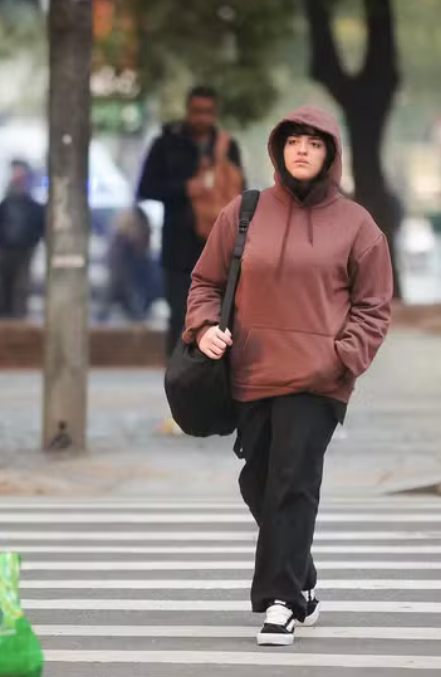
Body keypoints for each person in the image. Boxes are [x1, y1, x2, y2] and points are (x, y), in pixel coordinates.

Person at [183, 106, 393, 647]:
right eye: (294, 140)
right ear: (279, 149)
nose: (302, 149)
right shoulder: (245, 211)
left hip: (316, 381)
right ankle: (304, 577)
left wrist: (340, 358)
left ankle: (280, 602)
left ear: (330, 154)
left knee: (292, 483)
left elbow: (374, 306)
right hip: (250, 373)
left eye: (314, 143)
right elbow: (205, 281)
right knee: (259, 483)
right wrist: (204, 328)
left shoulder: (357, 225)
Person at [139, 85, 244, 357]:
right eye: (197, 111)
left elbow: (240, 191)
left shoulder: (227, 146)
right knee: (180, 313)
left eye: (208, 112)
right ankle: (178, 370)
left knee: (222, 313)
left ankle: (212, 372)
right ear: (188, 110)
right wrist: (186, 188)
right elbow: (146, 188)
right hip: (179, 247)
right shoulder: (167, 143)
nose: (202, 118)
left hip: (219, 243)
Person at [0, 159, 45, 319]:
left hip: (24, 250)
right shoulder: (6, 204)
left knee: (20, 287)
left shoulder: (32, 206)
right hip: (6, 249)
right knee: (5, 285)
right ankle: (6, 315)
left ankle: (17, 316)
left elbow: (39, 226)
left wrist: (32, 242)